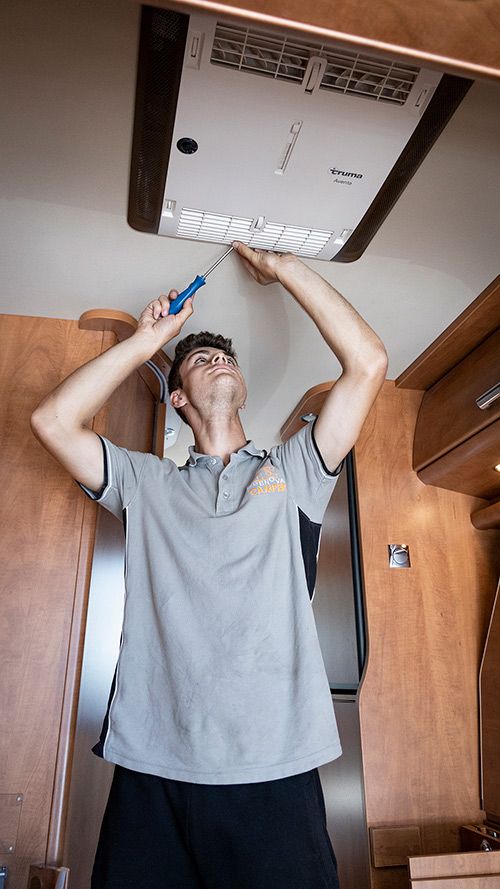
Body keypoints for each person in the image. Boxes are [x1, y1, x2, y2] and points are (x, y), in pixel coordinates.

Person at [31, 241, 387, 889]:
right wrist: (148, 343)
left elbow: (368, 362)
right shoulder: (144, 482)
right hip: (152, 765)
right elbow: (51, 420)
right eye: (199, 359)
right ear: (177, 400)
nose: (219, 359)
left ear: (242, 387)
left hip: (275, 765)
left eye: (226, 357)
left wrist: (284, 268)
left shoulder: (294, 470)